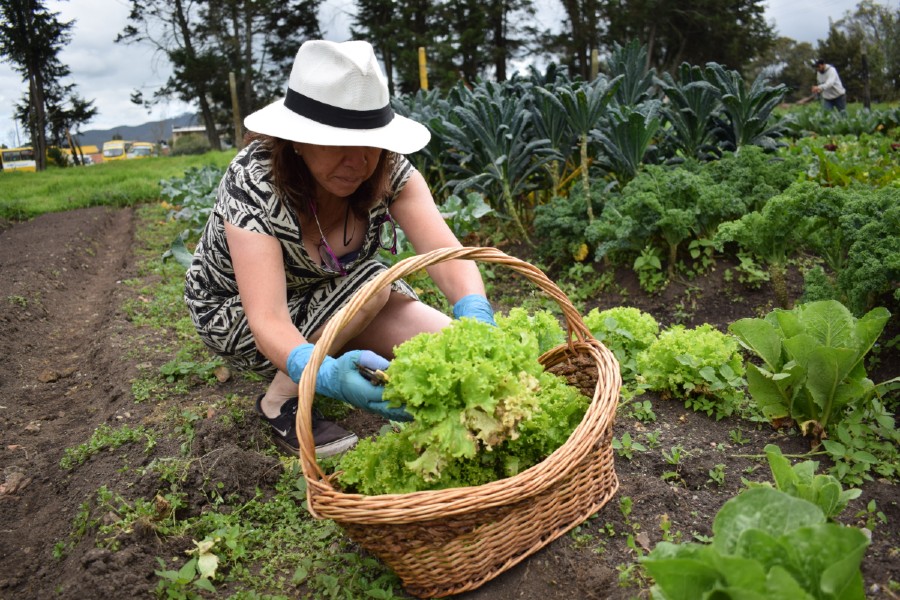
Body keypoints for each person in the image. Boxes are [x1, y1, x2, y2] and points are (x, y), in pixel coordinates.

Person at [184, 40, 496, 457]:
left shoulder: (390, 170)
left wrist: (476, 311)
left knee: (462, 352)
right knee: (374, 282)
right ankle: (279, 400)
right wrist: (321, 374)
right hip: (236, 313)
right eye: (337, 142)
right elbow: (267, 317)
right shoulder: (255, 181)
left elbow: (447, 256)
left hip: (343, 300)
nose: (358, 161)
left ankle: (338, 342)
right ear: (296, 139)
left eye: (371, 142)